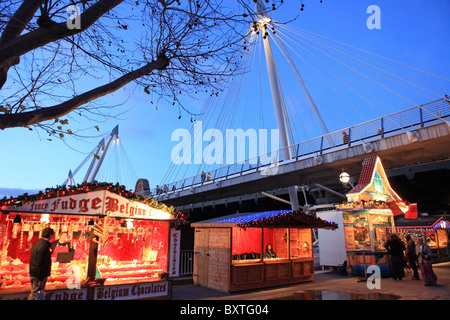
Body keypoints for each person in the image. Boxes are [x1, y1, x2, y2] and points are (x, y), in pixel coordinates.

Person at [28, 227, 54, 300]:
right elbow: (40, 262)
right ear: (50, 235)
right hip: (38, 274)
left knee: (38, 293)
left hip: (34, 272)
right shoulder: (44, 246)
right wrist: (40, 278)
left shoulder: (38, 243)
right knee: (35, 293)